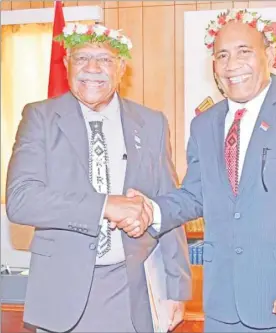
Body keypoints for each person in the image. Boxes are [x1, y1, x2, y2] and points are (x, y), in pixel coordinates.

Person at [124, 9, 276, 333]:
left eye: (244, 52)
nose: (232, 65)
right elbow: (195, 195)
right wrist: (150, 210)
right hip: (222, 309)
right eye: (222, 55)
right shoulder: (204, 124)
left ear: (269, 55)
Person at [6, 23, 191, 333]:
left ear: (121, 68)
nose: (92, 68)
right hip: (61, 295)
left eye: (104, 59)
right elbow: (21, 200)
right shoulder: (39, 118)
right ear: (66, 64)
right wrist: (105, 206)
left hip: (134, 292)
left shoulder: (152, 123)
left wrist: (177, 290)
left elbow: (169, 207)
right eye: (81, 58)